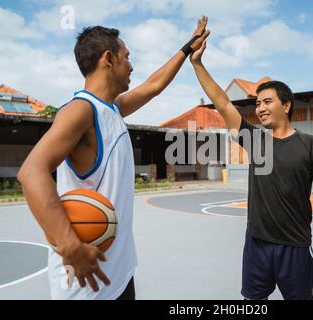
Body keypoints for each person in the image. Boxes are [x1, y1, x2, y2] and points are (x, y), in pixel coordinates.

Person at [18, 17, 210, 300]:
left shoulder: (113, 109)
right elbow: (31, 172)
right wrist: (69, 244)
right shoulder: (80, 111)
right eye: (127, 57)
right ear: (108, 59)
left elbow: (154, 85)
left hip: (119, 275)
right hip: (86, 286)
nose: (131, 66)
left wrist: (186, 47)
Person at [189, 38, 313, 300]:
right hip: (256, 244)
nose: (260, 108)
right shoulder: (255, 140)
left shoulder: (309, 144)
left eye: (267, 102)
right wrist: (197, 63)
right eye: (258, 104)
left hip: (295, 247)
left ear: (286, 105)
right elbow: (223, 103)